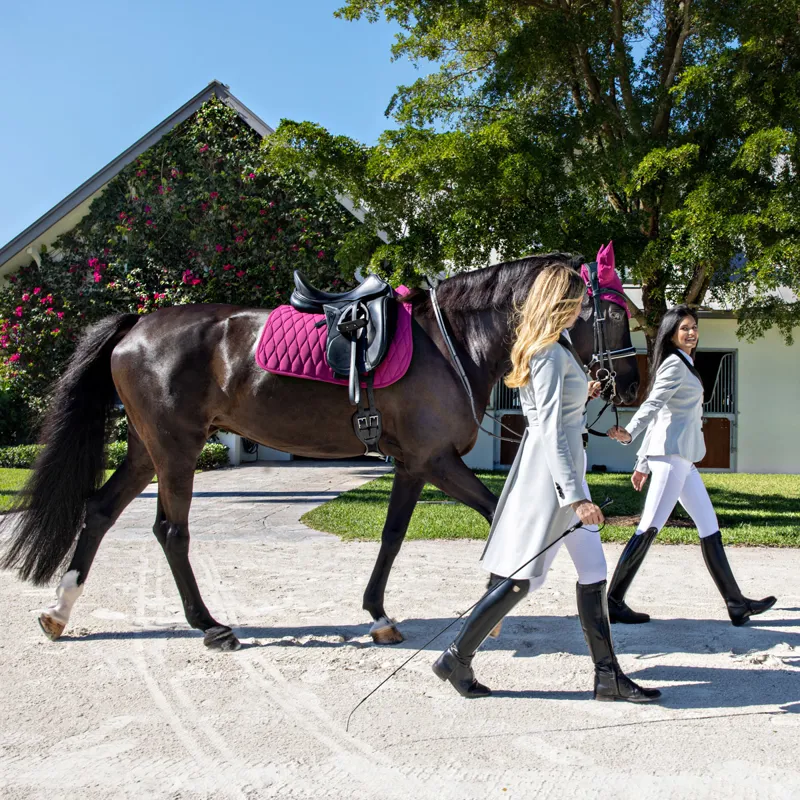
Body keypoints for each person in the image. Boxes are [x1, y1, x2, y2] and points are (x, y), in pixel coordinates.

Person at [431, 264, 661, 703]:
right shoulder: (552, 355)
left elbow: (554, 414)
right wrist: (575, 497)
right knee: (523, 579)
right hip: (554, 481)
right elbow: (553, 430)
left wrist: (584, 392)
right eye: (577, 300)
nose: (582, 307)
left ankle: (607, 677)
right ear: (562, 302)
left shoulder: (552, 349)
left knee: (593, 572)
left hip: (558, 472)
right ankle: (456, 658)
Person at [606, 306, 776, 626]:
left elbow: (666, 416)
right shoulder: (674, 364)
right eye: (684, 328)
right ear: (671, 334)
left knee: (709, 528)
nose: (691, 332)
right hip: (671, 458)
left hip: (682, 458)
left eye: (694, 327)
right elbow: (654, 406)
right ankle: (613, 601)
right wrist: (630, 433)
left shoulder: (686, 363)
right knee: (649, 527)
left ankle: (736, 604)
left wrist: (642, 460)